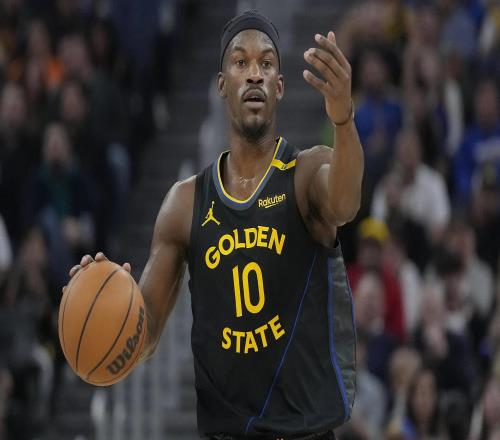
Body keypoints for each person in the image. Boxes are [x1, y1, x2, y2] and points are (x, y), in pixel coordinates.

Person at [64, 10, 364, 438]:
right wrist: (103, 303)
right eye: (241, 62)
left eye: (266, 63)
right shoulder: (184, 203)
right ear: (222, 84)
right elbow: (144, 337)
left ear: (280, 86)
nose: (254, 73)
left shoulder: (305, 173)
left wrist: (343, 120)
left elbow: (346, 203)